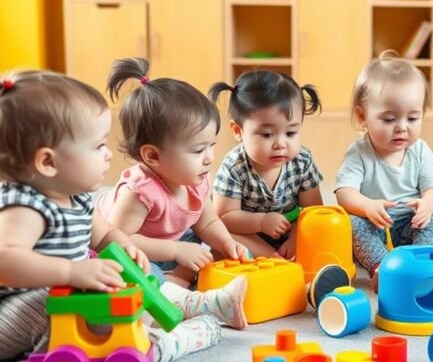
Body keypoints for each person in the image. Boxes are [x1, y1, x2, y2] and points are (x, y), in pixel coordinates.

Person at [0, 70, 220, 362]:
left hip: (63, 300)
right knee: (64, 307)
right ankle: (117, 349)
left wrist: (126, 248)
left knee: (115, 297)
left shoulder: (76, 198)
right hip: (16, 311)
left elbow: (105, 235)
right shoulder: (27, 208)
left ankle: (153, 339)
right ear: (48, 162)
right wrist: (71, 273)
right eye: (97, 146)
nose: (108, 155)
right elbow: (7, 261)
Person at [97, 58, 249, 329]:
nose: (209, 158)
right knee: (138, 280)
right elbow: (119, 243)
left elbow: (208, 221)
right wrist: (175, 250)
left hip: (173, 238)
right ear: (153, 155)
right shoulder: (139, 193)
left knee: (207, 245)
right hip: (137, 249)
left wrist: (227, 244)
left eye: (211, 146)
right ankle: (188, 300)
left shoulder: (196, 177)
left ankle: (178, 280)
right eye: (197, 150)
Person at [335, 52, 433, 291]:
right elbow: (344, 192)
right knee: (353, 224)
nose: (402, 128)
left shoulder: (420, 150)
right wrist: (367, 206)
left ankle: (418, 265)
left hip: (409, 223)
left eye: (413, 118)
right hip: (373, 224)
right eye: (389, 119)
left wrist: (427, 205)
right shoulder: (360, 151)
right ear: (363, 117)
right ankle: (382, 268)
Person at [211, 70, 324, 259]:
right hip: (247, 234)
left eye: (290, 133)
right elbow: (224, 218)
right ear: (238, 131)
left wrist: (296, 238)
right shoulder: (234, 167)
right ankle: (268, 260)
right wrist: (262, 222)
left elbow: (313, 209)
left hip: (289, 232)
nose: (280, 144)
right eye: (267, 134)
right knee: (220, 240)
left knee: (326, 227)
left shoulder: (302, 160)